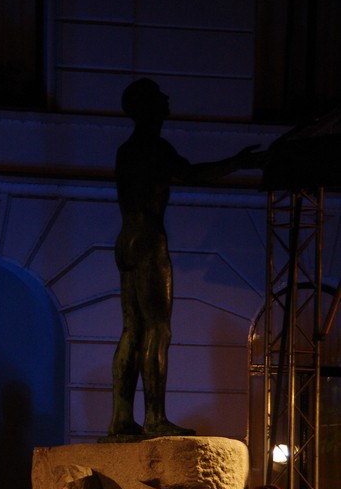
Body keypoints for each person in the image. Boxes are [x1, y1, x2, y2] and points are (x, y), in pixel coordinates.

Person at [107, 78, 261, 438]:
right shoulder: (154, 148)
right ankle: (155, 417)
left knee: (132, 329)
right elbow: (192, 174)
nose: (167, 100)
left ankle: (121, 418)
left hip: (127, 241)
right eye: (159, 97)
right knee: (158, 330)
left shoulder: (127, 150)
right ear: (147, 107)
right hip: (148, 242)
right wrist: (238, 162)